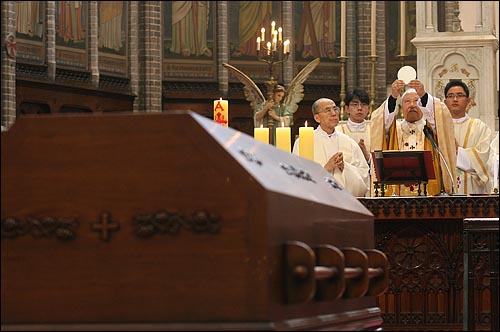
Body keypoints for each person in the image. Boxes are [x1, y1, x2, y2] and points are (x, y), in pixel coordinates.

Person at [370, 79, 457, 196]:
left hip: (429, 195)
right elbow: (380, 121)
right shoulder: (394, 129)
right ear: (400, 106)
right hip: (397, 196)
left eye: (416, 101)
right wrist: (393, 97)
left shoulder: (430, 127)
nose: (412, 105)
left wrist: (423, 95)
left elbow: (440, 115)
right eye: (407, 101)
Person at [292, 98, 370, 197]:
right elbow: (297, 175)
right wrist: (325, 169)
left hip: (344, 202)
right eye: (328, 110)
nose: (334, 113)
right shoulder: (303, 142)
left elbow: (363, 176)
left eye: (335, 109)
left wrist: (344, 167)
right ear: (317, 118)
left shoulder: (349, 142)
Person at [443, 81, 492, 195]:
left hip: (472, 191)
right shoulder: (439, 128)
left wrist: (456, 151)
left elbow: (483, 158)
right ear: (445, 102)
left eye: (460, 95)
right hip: (444, 191)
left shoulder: (479, 127)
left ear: (468, 101)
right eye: (450, 96)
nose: (455, 99)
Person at [338, 88, 372, 164]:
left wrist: (366, 155)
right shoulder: (338, 131)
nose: (359, 108)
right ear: (347, 109)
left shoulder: (374, 131)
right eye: (355, 104)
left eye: (363, 104)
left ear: (368, 109)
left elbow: (379, 160)